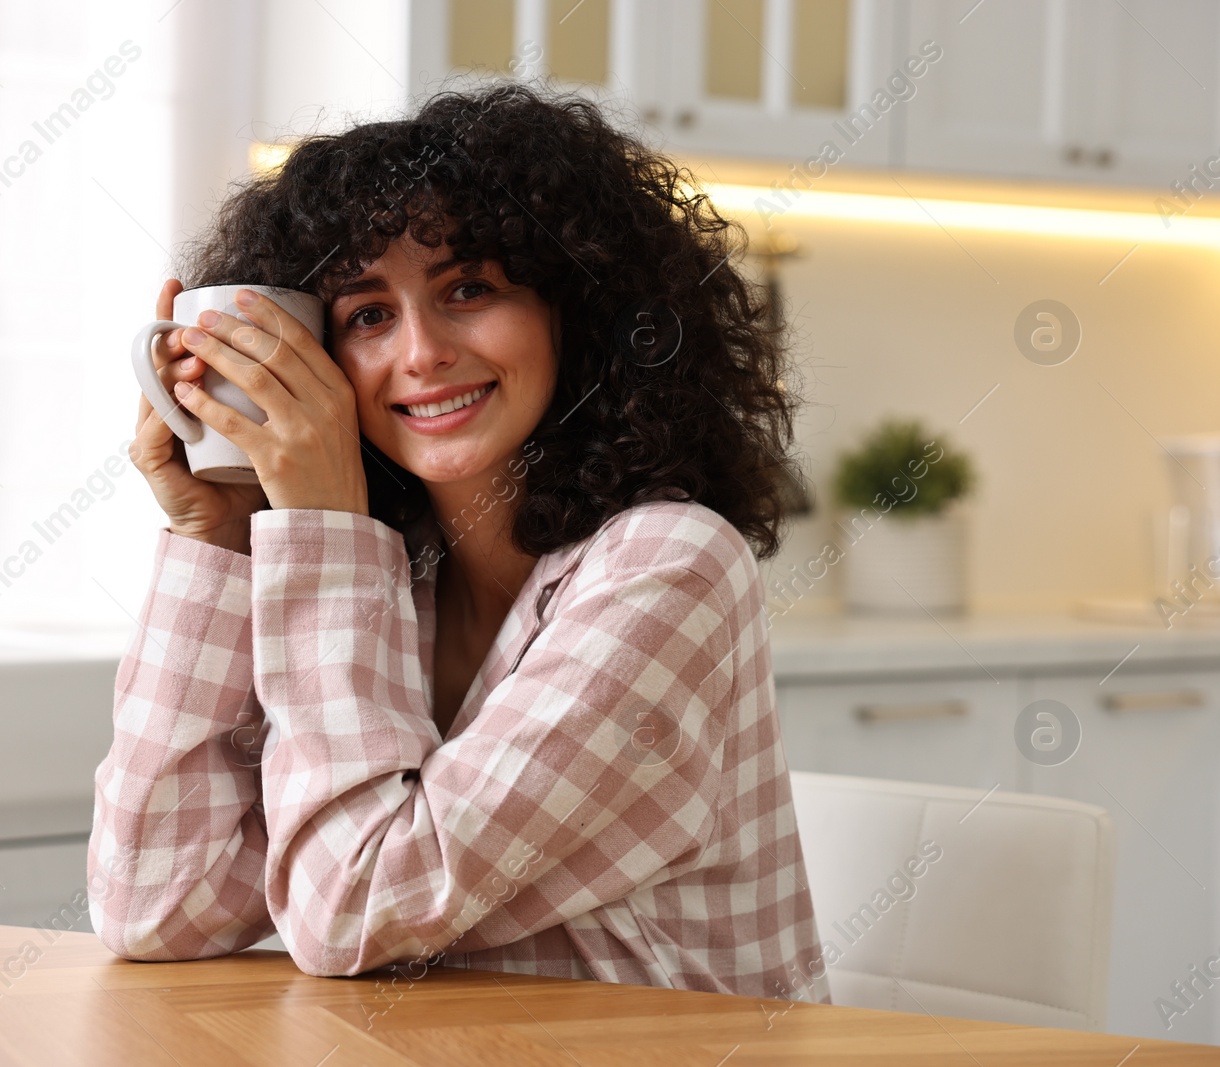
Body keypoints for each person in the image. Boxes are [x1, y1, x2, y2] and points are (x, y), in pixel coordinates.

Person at [89, 81, 829, 1004]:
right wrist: (220, 540)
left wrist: (323, 533)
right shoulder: (393, 570)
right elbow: (155, 902)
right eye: (366, 315)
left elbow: (351, 908)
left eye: (468, 288)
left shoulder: (671, 565)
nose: (422, 352)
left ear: (579, 311)